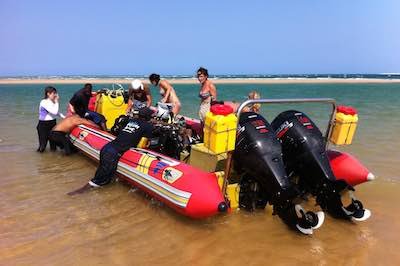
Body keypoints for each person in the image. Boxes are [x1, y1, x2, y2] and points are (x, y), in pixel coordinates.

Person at [67, 107, 154, 195]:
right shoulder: (148, 126)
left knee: (103, 177)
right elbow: (142, 145)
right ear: (147, 117)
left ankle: (80, 193)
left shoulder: (131, 121)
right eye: (151, 116)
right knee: (97, 182)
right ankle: (78, 193)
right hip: (113, 154)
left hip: (107, 148)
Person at [36, 86, 65, 152]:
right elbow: (54, 112)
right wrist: (57, 101)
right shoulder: (44, 102)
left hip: (52, 124)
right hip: (43, 126)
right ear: (48, 94)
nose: (55, 95)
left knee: (53, 147)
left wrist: (64, 117)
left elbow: (56, 112)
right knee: (42, 147)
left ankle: (53, 162)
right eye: (53, 93)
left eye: (56, 93)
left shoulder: (52, 102)